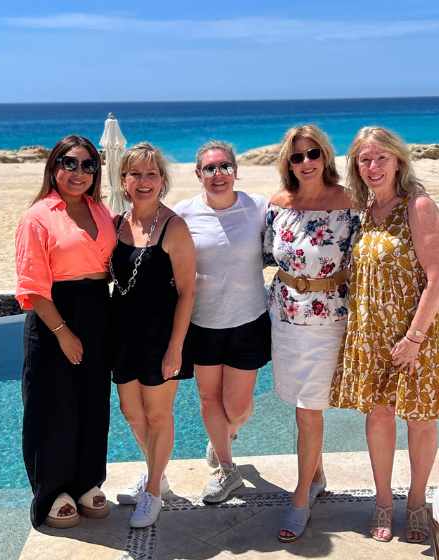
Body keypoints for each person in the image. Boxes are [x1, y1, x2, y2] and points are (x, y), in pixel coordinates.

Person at [330, 126, 439, 544]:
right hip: (373, 332)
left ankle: (415, 502)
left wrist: (413, 338)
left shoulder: (419, 205)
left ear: (398, 161)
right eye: (364, 160)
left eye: (381, 158)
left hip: (419, 332)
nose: (373, 166)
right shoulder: (363, 211)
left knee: (420, 417)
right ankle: (382, 501)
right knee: (378, 415)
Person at [263, 124, 359, 543]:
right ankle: (316, 475)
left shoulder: (349, 202)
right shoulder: (278, 204)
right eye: (297, 156)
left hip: (329, 318)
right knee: (297, 402)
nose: (306, 162)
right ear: (288, 162)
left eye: (313, 153)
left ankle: (301, 497)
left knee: (309, 408)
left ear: (325, 156)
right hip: (284, 316)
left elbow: (363, 260)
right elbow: (263, 254)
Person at [14, 135, 115, 529]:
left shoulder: (100, 210)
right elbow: (32, 287)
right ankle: (53, 491)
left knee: (92, 400)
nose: (79, 172)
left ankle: (87, 481)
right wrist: (62, 332)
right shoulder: (37, 217)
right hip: (53, 314)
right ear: (54, 166)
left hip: (97, 309)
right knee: (52, 405)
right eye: (69, 163)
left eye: (88, 165)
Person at [172, 140, 271, 505]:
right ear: (198, 174)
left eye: (224, 166)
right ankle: (227, 469)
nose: (218, 174)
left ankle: (224, 435)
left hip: (249, 321)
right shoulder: (183, 214)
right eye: (210, 168)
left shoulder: (258, 207)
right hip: (202, 323)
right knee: (208, 397)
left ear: (235, 171)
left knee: (238, 408)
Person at [106, 142, 196, 528]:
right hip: (122, 334)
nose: (144, 181)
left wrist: (176, 346)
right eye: (135, 174)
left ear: (162, 180)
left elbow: (188, 291)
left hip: (161, 335)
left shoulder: (174, 227)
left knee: (158, 415)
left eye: (151, 174)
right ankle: (156, 472)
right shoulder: (115, 224)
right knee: (131, 412)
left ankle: (154, 491)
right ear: (123, 180)